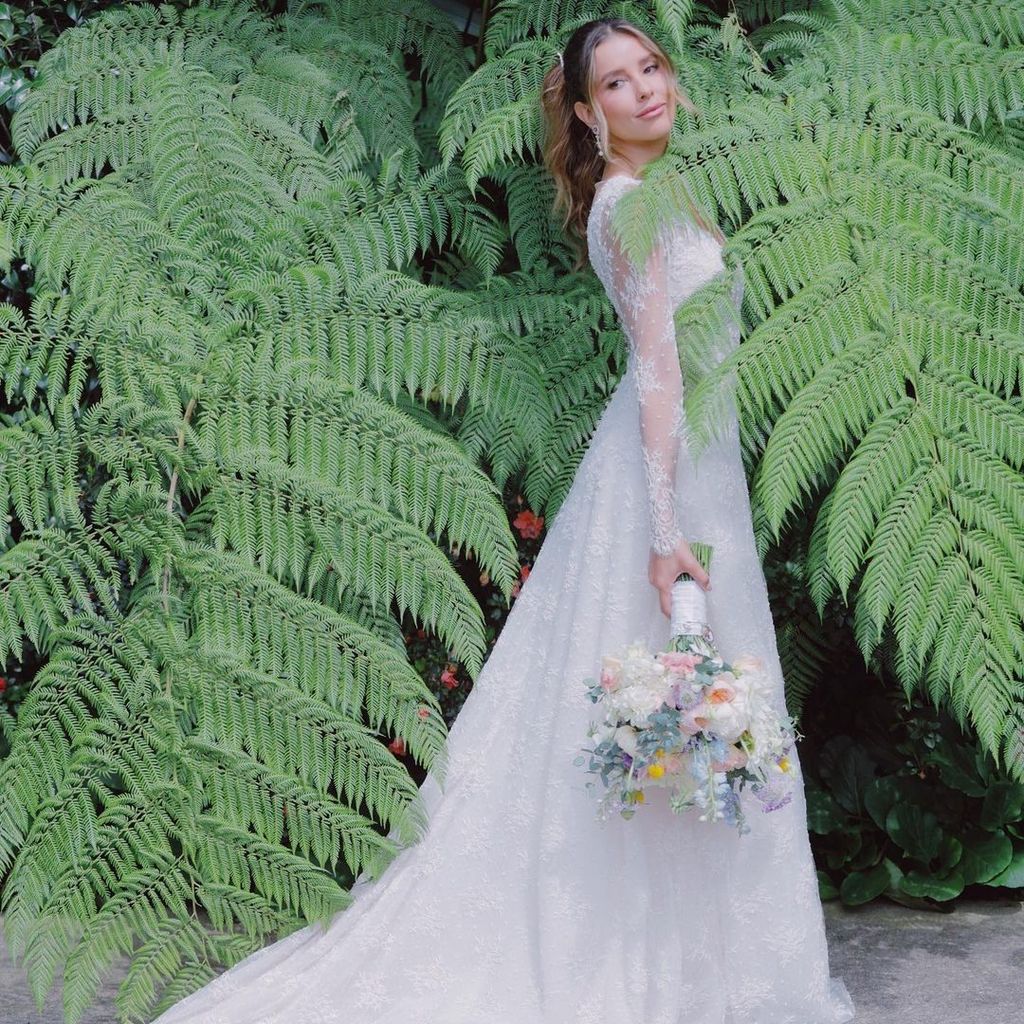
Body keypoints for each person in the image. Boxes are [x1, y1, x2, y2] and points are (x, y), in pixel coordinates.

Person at [151, 16, 855, 1024]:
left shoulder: (669, 193)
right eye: (616, 83)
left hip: (696, 472)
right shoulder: (625, 206)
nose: (645, 89)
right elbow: (657, 370)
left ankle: (710, 964)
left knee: (698, 716)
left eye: (651, 67)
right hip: (665, 479)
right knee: (660, 707)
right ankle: (631, 957)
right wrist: (664, 534)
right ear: (585, 113)